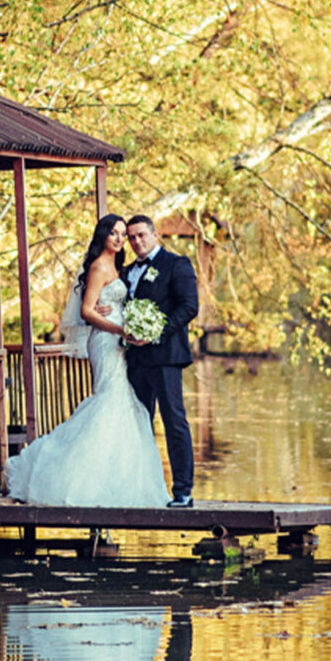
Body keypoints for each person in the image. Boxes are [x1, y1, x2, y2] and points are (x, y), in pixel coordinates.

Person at [4, 214, 168, 507]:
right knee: (110, 398)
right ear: (103, 235)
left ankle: (113, 479)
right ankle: (66, 470)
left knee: (121, 402)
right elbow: (87, 311)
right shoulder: (98, 267)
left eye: (122, 234)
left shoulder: (119, 267)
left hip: (120, 341)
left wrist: (133, 324)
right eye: (114, 233)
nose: (120, 239)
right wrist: (120, 328)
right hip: (106, 341)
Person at [121, 214, 198, 507]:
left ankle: (183, 491)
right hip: (135, 359)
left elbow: (189, 307)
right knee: (138, 423)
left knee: (174, 421)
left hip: (166, 356)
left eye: (141, 235)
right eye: (132, 237)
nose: (137, 241)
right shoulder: (127, 271)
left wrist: (154, 332)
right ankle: (139, 488)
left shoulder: (176, 265)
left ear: (155, 235)